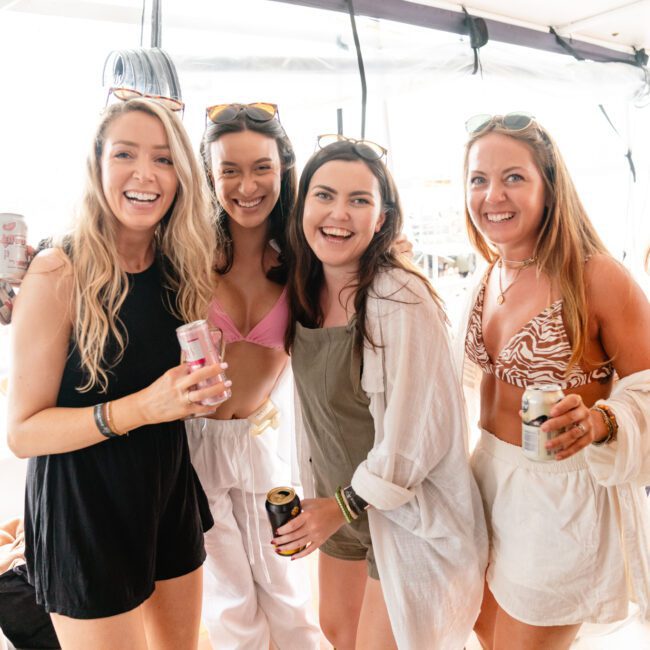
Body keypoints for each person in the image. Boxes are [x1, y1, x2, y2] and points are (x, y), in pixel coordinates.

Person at [6, 96, 230, 650]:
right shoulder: (58, 270)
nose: (145, 174)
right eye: (125, 154)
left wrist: (194, 393)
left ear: (182, 175)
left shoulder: (183, 266)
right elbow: (22, 433)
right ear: (97, 165)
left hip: (167, 491)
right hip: (83, 511)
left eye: (163, 158)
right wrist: (144, 408)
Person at [275, 137, 488, 649]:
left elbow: (416, 438)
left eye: (359, 200)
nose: (338, 214)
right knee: (338, 632)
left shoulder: (398, 295)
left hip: (401, 517)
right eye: (323, 195)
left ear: (382, 218)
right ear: (302, 205)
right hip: (339, 508)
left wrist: (341, 507)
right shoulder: (305, 290)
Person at [459, 113, 650, 650]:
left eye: (514, 177)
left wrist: (603, 420)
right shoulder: (490, 270)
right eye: (479, 179)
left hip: (560, 502)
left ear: (549, 185)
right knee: (487, 635)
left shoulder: (596, 275)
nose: (493, 194)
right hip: (487, 481)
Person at [187, 102, 321, 650]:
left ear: (284, 168)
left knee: (286, 589)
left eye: (261, 167)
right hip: (190, 446)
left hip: (261, 442)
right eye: (229, 170)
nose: (247, 185)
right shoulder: (187, 257)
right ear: (209, 175)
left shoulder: (305, 258)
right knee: (229, 602)